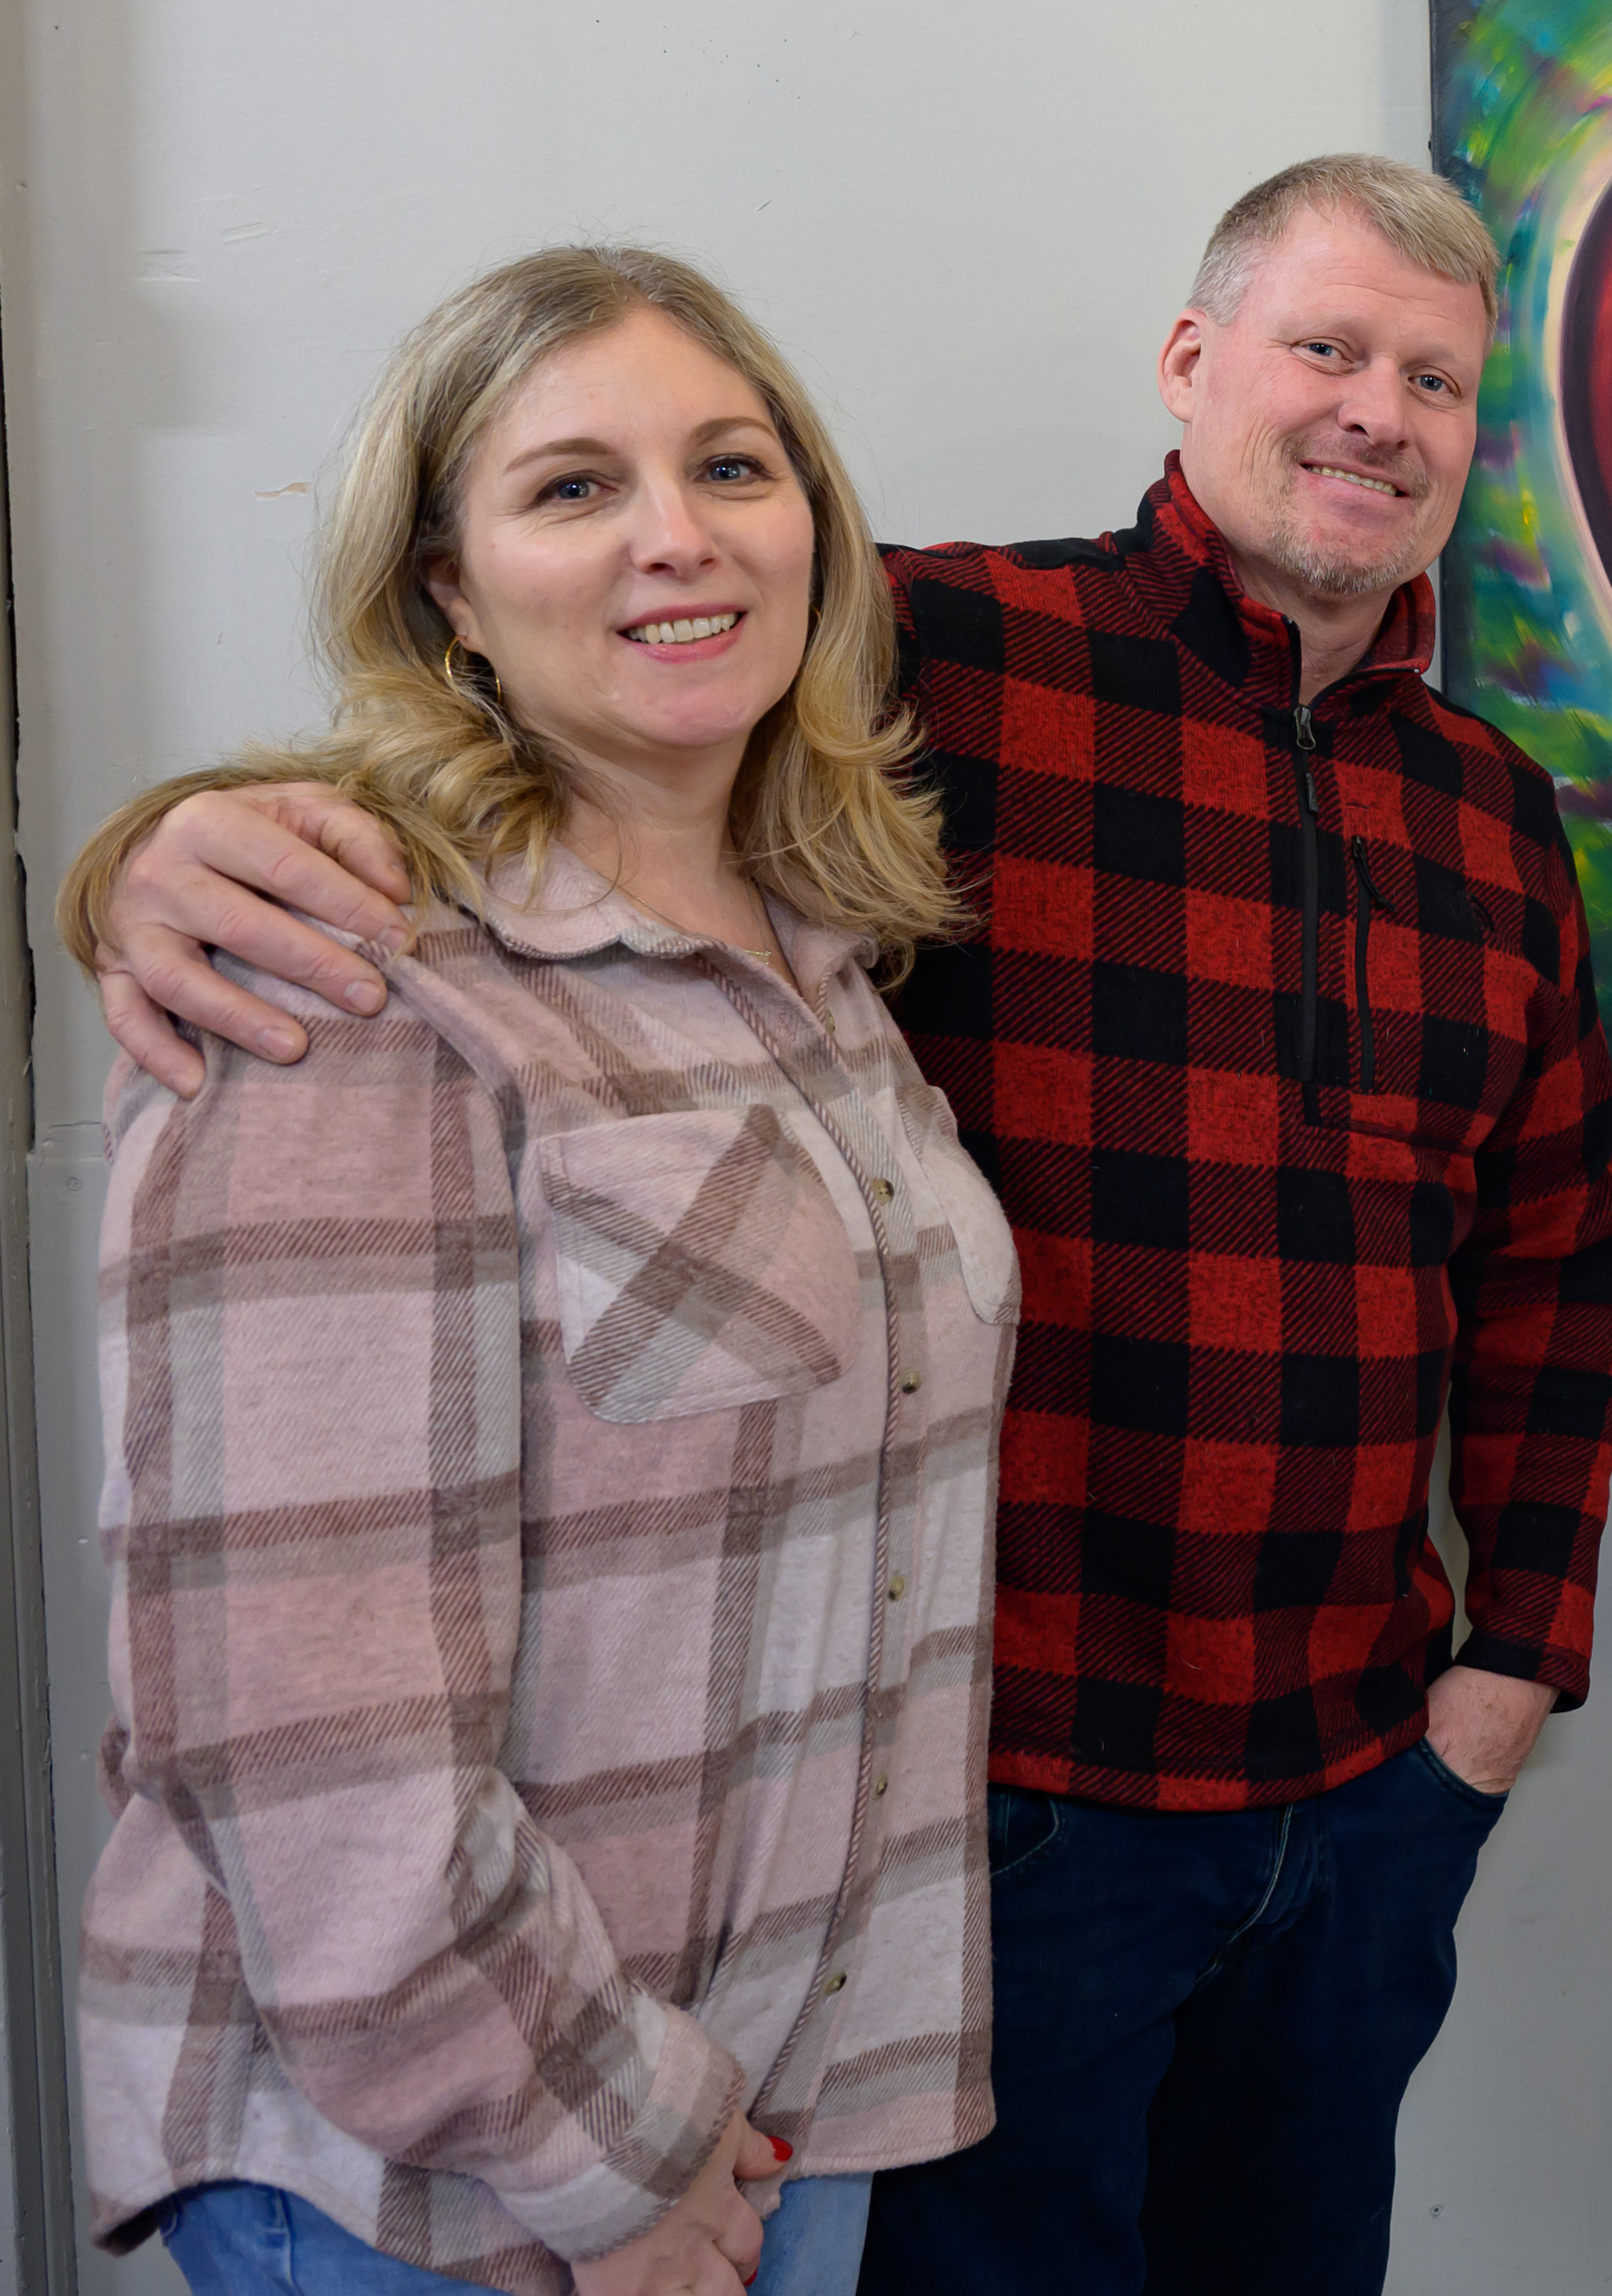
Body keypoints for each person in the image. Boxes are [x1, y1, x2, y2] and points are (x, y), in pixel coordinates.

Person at [73, 156, 1612, 2296]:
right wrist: (162, 847)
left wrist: (1509, 1671)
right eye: (1328, 347)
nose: (1380, 410)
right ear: (1192, 366)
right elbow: (564, 726)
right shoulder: (930, 651)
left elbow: (1556, 1260)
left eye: (1437, 379)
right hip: (1003, 1808)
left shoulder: (1493, 808)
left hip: (1357, 1791)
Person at [63, 247, 1001, 2296]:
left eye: (732, 465)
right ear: (447, 593)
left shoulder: (828, 975)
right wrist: (605, 2155)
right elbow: (299, 1727)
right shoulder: (356, 986)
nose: (677, 534)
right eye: (572, 487)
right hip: (456, 2172)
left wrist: (709, 2149)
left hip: (765, 2105)